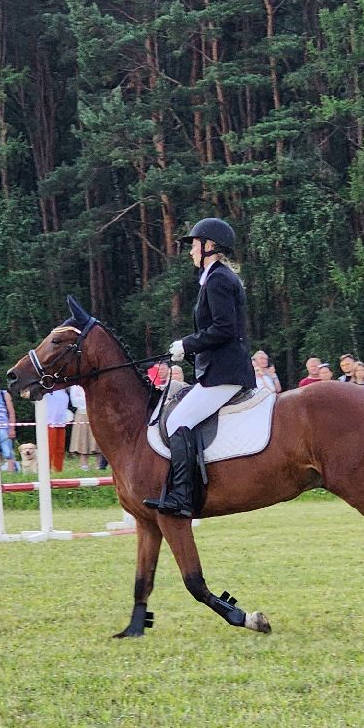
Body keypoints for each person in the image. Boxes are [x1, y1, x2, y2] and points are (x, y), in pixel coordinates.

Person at [148, 217, 252, 517]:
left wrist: (187, 345)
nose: (191, 250)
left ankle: (183, 496)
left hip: (225, 373)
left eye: (194, 244)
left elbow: (224, 329)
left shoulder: (218, 279)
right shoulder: (213, 278)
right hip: (220, 369)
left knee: (178, 421)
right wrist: (191, 352)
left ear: (209, 246)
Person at [68, 384, 100, 471]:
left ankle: (99, 465)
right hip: (81, 414)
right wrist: (89, 398)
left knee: (97, 440)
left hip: (95, 412)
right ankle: (84, 465)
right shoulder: (75, 387)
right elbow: (75, 402)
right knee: (82, 439)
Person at [44, 385, 72, 473]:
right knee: (50, 448)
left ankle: (58, 469)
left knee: (60, 449)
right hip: (49, 423)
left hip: (61, 423)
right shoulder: (48, 391)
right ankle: (46, 470)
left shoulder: (65, 392)